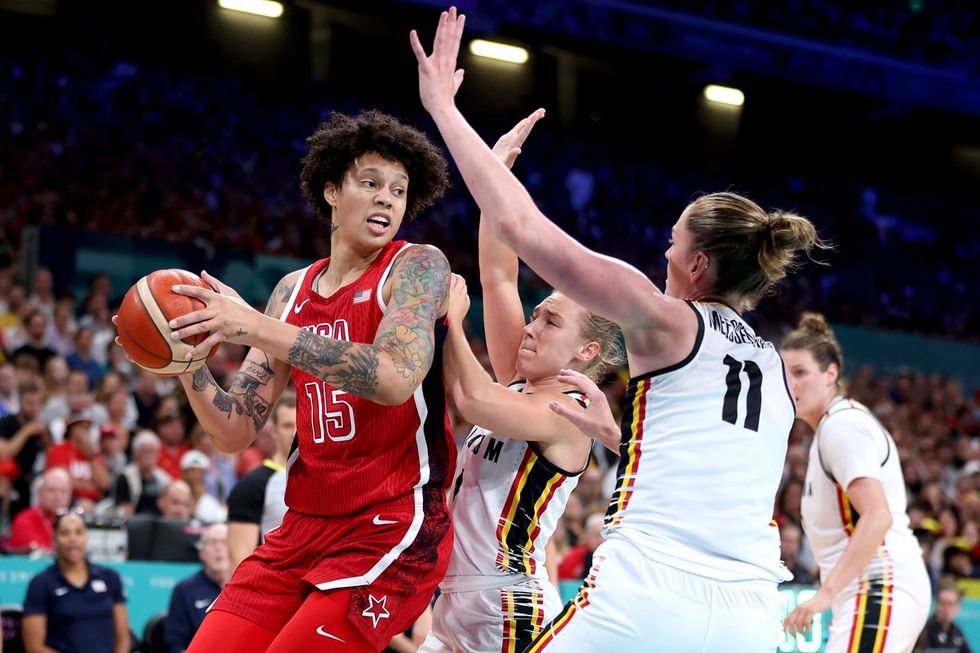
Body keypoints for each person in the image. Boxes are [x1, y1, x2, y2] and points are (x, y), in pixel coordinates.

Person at [411, 9, 825, 650]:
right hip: (749, 606)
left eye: (671, 245)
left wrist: (441, 106)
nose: (662, 258)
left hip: (649, 588)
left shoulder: (664, 320)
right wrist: (619, 434)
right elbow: (711, 460)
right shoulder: (772, 365)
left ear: (696, 264)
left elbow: (523, 230)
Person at [151, 109, 456, 653]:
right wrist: (185, 363)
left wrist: (258, 328)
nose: (387, 198)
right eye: (369, 183)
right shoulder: (292, 291)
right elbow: (235, 431)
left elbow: (394, 378)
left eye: (399, 190)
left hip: (392, 524)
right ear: (331, 191)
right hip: (302, 526)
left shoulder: (418, 267)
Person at [417, 114, 622, 653]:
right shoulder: (520, 382)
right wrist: (495, 177)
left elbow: (470, 399)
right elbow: (499, 277)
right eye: (536, 316)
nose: (530, 328)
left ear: (587, 351)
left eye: (550, 322)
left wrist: (453, 322)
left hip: (508, 605)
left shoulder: (570, 407)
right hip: (453, 598)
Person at [781, 313, 930, 650]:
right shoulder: (829, 430)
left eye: (801, 372)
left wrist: (825, 594)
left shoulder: (842, 426)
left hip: (879, 585)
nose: (790, 383)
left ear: (831, 373)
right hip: (865, 590)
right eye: (785, 373)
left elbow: (878, 516)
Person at [22, 511, 129, 653]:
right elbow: (34, 647)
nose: (73, 539)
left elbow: (123, 638)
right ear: (54, 539)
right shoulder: (41, 583)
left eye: (79, 532)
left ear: (86, 537)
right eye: (65, 533)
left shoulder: (110, 577)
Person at [226, 395, 296, 573]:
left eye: (301, 425)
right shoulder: (252, 485)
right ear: (273, 430)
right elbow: (239, 562)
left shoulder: (325, 478)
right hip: (274, 583)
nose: (295, 432)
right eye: (288, 426)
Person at [164, 523, 230, 653]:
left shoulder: (246, 588)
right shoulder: (185, 590)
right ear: (201, 552)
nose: (219, 548)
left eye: (224, 542)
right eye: (212, 543)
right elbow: (174, 643)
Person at [7, 467, 72, 553]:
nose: (58, 497)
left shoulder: (72, 521)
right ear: (40, 492)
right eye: (52, 491)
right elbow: (39, 556)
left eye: (63, 492)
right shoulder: (24, 521)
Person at [114, 430, 172, 517]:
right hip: (134, 522)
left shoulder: (165, 479)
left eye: (152, 451)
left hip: (160, 523)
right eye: (144, 451)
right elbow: (124, 508)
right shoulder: (125, 476)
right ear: (135, 454)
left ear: (158, 454)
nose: (148, 456)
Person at [916, 576, 973, 652]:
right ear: (936, 604)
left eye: (951, 604)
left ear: (958, 607)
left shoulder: (957, 631)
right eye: (943, 603)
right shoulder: (924, 631)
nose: (947, 609)